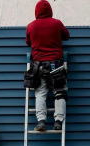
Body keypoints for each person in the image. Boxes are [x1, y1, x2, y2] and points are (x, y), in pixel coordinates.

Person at [26, 0, 70, 131]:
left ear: (36, 12)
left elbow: (28, 42)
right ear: (50, 10)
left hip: (39, 66)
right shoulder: (56, 23)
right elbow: (67, 36)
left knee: (40, 93)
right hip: (56, 64)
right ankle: (58, 121)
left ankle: (41, 121)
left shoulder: (31, 26)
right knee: (59, 92)